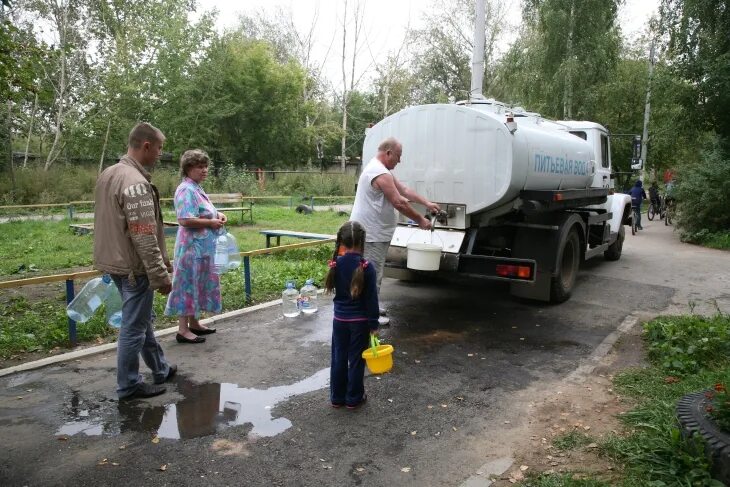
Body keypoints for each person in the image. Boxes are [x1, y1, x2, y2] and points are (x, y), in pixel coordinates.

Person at [94, 122, 176, 400]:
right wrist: (160, 274)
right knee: (134, 327)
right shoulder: (136, 184)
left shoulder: (109, 173)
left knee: (141, 321)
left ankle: (160, 367)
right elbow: (144, 237)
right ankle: (128, 384)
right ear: (146, 146)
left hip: (114, 263)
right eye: (160, 149)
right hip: (134, 268)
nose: (160, 155)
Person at [350, 137, 440, 325]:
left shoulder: (382, 170)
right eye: (398, 156)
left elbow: (404, 190)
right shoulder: (379, 172)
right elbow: (398, 202)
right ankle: (369, 315)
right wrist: (420, 220)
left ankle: (371, 305)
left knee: (376, 271)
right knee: (371, 273)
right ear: (388, 153)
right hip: (371, 233)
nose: (400, 160)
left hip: (376, 232)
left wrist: (427, 203)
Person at [164, 149, 226, 344]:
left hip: (202, 249)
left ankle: (194, 323)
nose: (204, 170)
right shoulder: (186, 189)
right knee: (187, 285)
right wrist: (210, 223)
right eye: (200, 167)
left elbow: (204, 211)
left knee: (198, 283)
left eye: (206, 166)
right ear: (189, 168)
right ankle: (182, 330)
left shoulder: (196, 188)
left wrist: (219, 215)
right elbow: (184, 219)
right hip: (191, 249)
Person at [324, 220, 379, 409]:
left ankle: (337, 398)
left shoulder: (336, 264)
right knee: (356, 360)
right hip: (360, 322)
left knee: (338, 357)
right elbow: (371, 299)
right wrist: (374, 325)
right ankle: (354, 398)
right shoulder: (366, 267)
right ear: (362, 242)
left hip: (339, 320)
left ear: (341, 242)